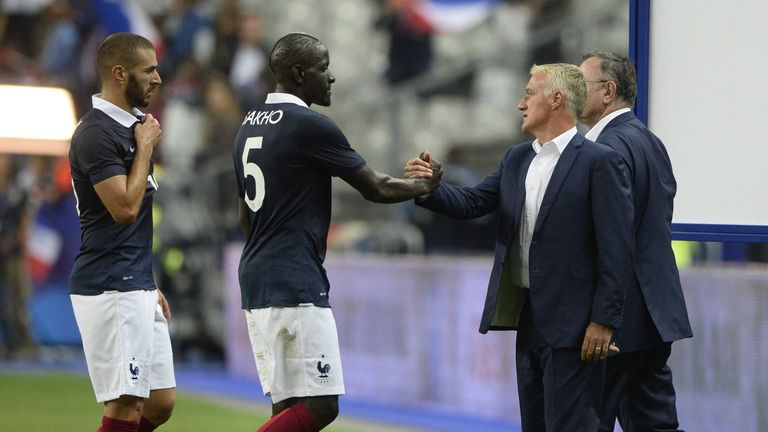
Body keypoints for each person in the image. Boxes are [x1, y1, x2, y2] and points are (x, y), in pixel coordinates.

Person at [406, 63, 633, 431]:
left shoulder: (600, 162)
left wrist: (604, 321)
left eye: (529, 93)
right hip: (530, 321)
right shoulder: (517, 158)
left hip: (577, 325)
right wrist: (431, 187)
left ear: (556, 99)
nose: (520, 103)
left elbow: (617, 248)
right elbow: (473, 203)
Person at [233, 32, 442, 432]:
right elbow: (376, 187)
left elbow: (244, 215)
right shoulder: (310, 125)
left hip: (257, 277)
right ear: (298, 73)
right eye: (323, 68)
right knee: (321, 405)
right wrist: (425, 186)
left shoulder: (248, 124)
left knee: (287, 406)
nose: (331, 78)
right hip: (295, 281)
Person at [579, 51, 693, 432]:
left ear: (608, 91)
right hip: (656, 317)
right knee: (654, 422)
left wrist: (603, 317)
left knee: (587, 419)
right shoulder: (650, 141)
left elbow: (611, 239)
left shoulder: (604, 151)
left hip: (615, 324)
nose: (573, 92)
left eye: (582, 84)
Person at [68, 33, 175, 432]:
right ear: (119, 73)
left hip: (134, 281)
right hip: (109, 284)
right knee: (127, 403)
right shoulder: (97, 134)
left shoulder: (130, 126)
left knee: (160, 402)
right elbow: (125, 209)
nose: (157, 79)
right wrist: (145, 147)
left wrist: (148, 284)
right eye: (148, 70)